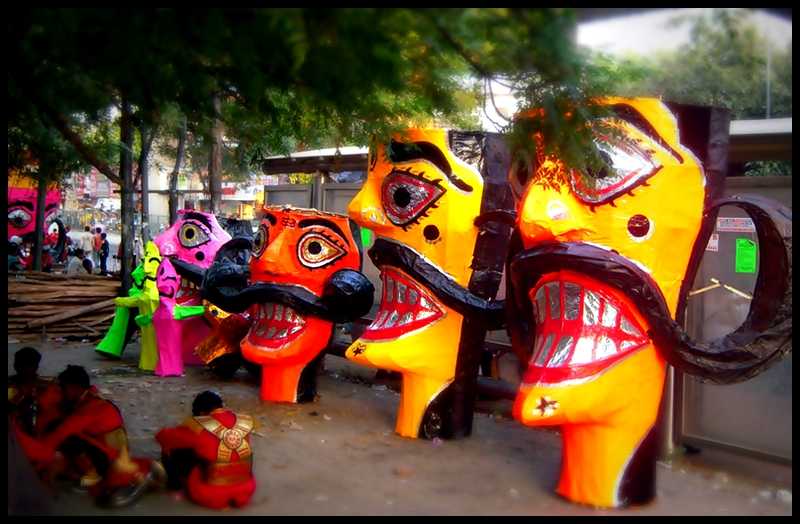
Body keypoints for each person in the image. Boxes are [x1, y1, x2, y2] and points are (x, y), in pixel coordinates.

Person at [14, 365, 165, 507]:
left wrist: (31, 463)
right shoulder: (88, 399)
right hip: (109, 453)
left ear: (74, 388)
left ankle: (128, 475)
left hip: (111, 460)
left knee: (65, 440)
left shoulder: (89, 409)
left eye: (63, 388)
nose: (60, 392)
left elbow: (57, 436)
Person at [156, 391, 256, 510]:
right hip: (246, 491)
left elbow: (162, 437)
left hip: (209, 496)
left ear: (201, 413)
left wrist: (183, 428)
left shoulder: (198, 426)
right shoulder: (243, 421)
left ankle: (175, 489)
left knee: (171, 449)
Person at [8, 347, 63, 438]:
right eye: (20, 364)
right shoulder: (50, 385)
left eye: (27, 365)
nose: (21, 368)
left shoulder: (49, 386)